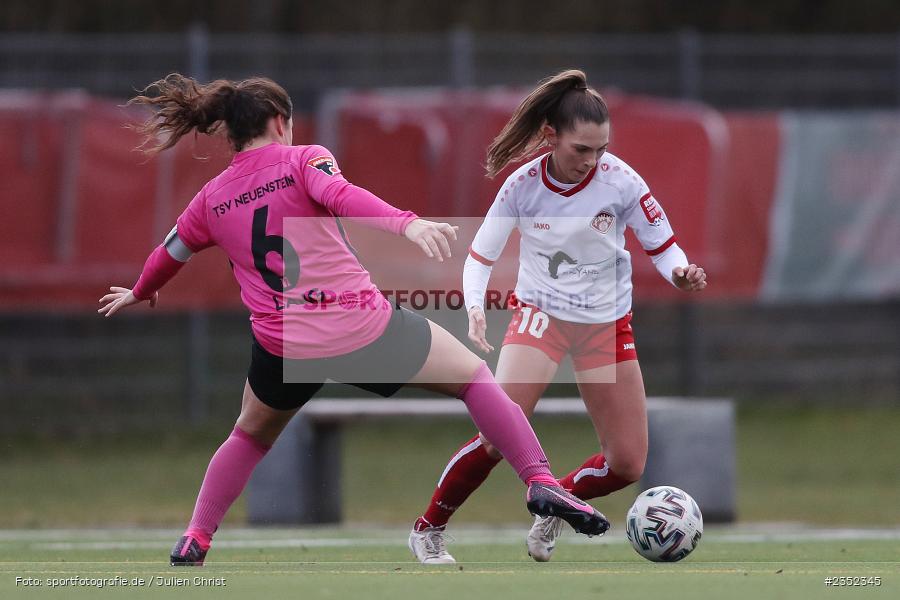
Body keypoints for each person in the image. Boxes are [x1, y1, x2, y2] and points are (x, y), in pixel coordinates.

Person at [97, 73, 610, 567]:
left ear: (230, 131)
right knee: (474, 379)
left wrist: (142, 290)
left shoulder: (210, 198)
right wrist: (406, 226)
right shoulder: (305, 160)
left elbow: (170, 252)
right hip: (359, 327)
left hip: (283, 344)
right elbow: (343, 196)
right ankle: (540, 479)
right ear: (280, 120)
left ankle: (194, 538)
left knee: (249, 436)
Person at [408, 69, 707, 564]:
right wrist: (476, 308)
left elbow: (664, 245)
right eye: (581, 150)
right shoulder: (521, 186)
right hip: (540, 318)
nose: (592, 161)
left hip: (606, 326)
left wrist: (680, 273)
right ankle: (428, 529)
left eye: (601, 150)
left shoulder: (623, 181)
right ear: (550, 136)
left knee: (628, 463)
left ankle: (555, 505)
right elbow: (481, 256)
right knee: (498, 432)